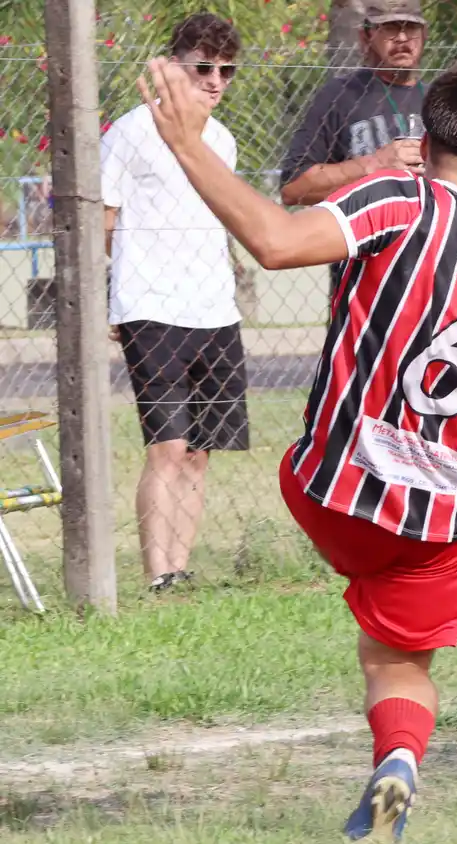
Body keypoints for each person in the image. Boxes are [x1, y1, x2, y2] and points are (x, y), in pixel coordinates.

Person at [135, 57, 457, 840]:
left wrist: (189, 143)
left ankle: (392, 762)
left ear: (422, 144)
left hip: (332, 490)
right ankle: (399, 758)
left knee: (365, 567)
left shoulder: (395, 199)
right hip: (442, 526)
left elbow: (274, 239)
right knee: (398, 663)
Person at [102, 13, 246, 593]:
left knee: (200, 452)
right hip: (152, 307)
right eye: (203, 67)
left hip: (215, 309)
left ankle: (180, 570)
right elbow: (104, 217)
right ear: (173, 67)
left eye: (226, 70)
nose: (215, 80)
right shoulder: (130, 133)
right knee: (167, 446)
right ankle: (157, 573)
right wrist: (114, 296)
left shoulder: (223, 141)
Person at [278, 0, 428, 207]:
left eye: (410, 28)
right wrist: (374, 165)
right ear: (366, 36)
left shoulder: (441, 100)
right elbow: (293, 188)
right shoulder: (340, 95)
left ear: (424, 34)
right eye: (389, 28)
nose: (402, 38)